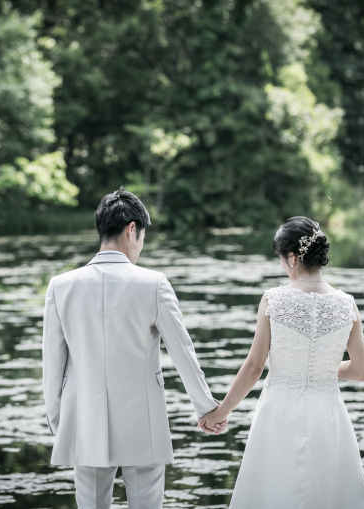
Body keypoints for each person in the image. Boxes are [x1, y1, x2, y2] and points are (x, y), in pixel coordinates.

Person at [42, 188, 227, 509]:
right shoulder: (153, 283)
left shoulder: (61, 286)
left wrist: (61, 425)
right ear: (132, 229)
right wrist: (206, 408)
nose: (140, 247)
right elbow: (184, 353)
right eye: (142, 238)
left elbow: (52, 367)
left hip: (84, 420)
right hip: (143, 423)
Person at [200, 216, 364, 509]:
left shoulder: (274, 300)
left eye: (280, 258)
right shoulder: (347, 304)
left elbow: (254, 367)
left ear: (291, 257)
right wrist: (322, 369)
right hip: (329, 415)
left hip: (279, 413)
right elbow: (360, 371)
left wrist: (220, 412)